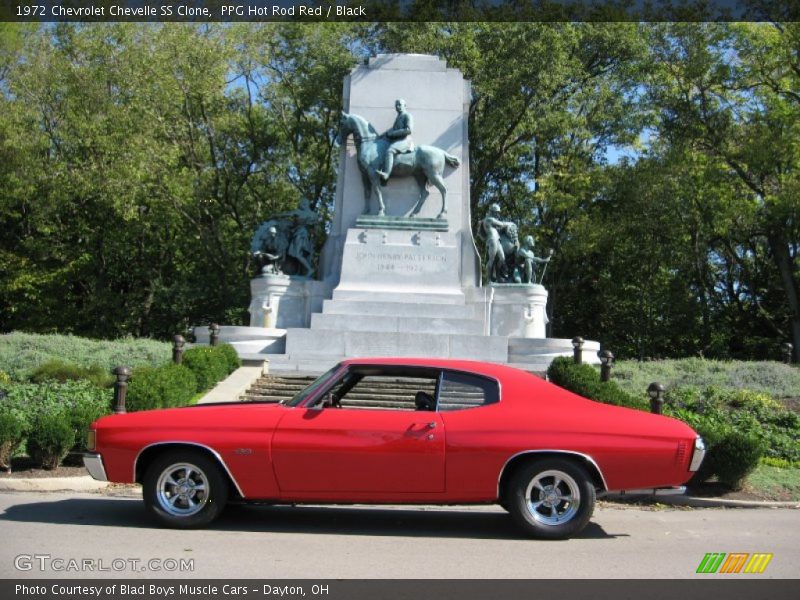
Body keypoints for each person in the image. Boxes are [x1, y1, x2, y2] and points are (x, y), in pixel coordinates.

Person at [376, 99, 414, 183]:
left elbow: (408, 130)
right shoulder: (398, 117)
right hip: (397, 140)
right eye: (396, 105)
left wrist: (393, 134)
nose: (398, 107)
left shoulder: (407, 116)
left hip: (405, 140)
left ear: (405, 106)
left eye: (400, 105)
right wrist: (381, 136)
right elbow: (392, 129)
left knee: (390, 151)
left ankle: (386, 174)